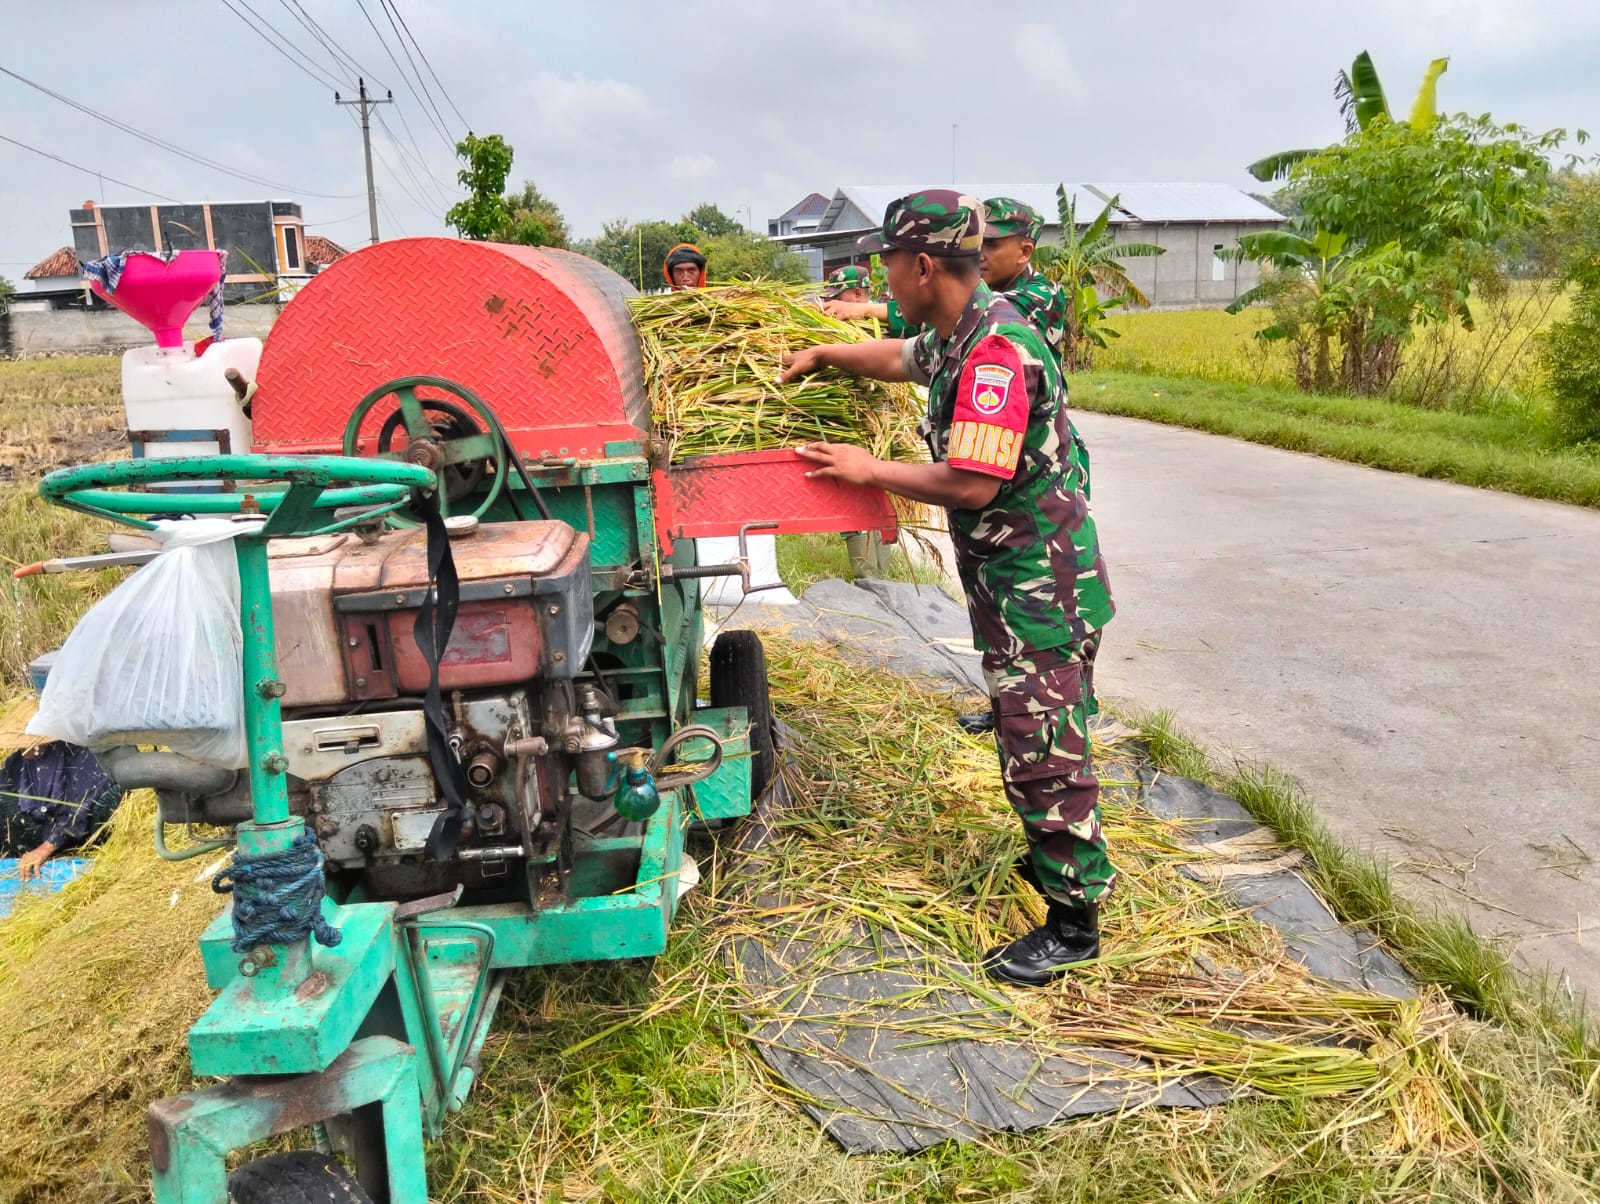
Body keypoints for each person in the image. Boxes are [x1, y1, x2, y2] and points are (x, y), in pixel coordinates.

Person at [777, 189, 1116, 986]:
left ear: (922, 264)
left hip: (1038, 583)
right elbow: (898, 360)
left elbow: (971, 481)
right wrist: (825, 354)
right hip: (1021, 576)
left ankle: (1074, 922)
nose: (882, 277)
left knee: (1042, 749)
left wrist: (869, 469)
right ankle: (1059, 858)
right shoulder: (957, 333)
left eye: (887, 263)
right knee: (1033, 726)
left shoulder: (994, 351)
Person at [1, 739, 124, 881]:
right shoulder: (18, 761)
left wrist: (43, 850)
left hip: (84, 834)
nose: (23, 750)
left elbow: (79, 809)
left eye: (29, 743)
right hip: (43, 830)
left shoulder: (79, 753)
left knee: (112, 798)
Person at [979, 197, 1067, 362]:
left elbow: (969, 318)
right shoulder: (986, 287)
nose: (978, 254)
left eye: (990, 245)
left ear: (1024, 252)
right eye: (975, 243)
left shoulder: (1042, 295)